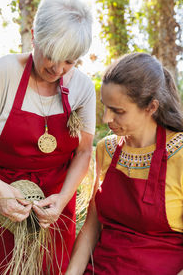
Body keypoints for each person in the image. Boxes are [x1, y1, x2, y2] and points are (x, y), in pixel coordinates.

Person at [0, 0, 95, 274]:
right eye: (52, 56)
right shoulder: (2, 74)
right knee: (14, 267)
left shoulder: (82, 87)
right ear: (34, 35)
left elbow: (83, 151)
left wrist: (63, 199)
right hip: (10, 195)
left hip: (58, 196)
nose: (57, 68)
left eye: (69, 61)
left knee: (59, 265)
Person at [66, 52, 183, 275]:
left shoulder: (180, 154)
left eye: (118, 111)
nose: (106, 119)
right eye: (105, 107)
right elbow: (92, 226)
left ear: (151, 107)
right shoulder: (106, 150)